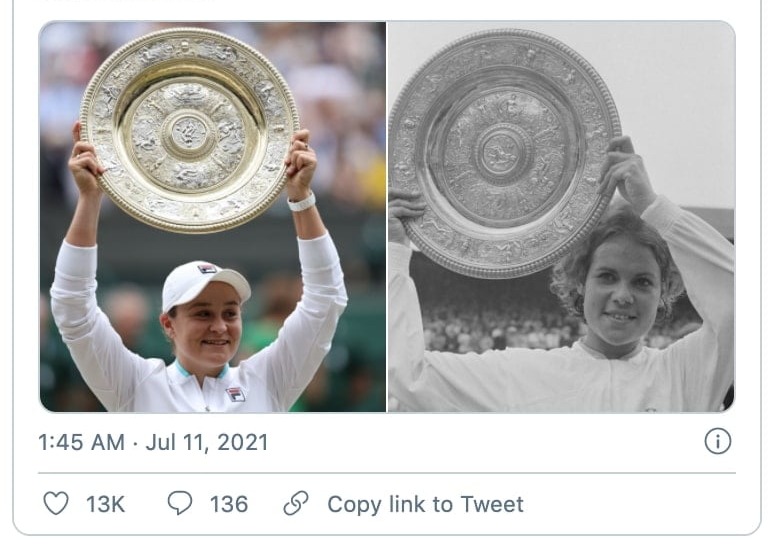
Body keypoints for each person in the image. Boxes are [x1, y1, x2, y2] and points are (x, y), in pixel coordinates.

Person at [388, 137, 733, 412]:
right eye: (607, 276)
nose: (623, 295)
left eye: (643, 281)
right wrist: (395, 249)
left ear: (664, 291)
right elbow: (407, 376)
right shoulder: (519, 375)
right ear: (581, 282)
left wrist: (656, 209)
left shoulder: (685, 374)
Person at [51, 122, 347, 412]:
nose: (220, 326)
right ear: (168, 324)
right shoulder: (134, 384)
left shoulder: (267, 379)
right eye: (203, 313)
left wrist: (301, 197)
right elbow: (73, 307)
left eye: (230, 313)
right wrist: (90, 198)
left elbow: (326, 299)